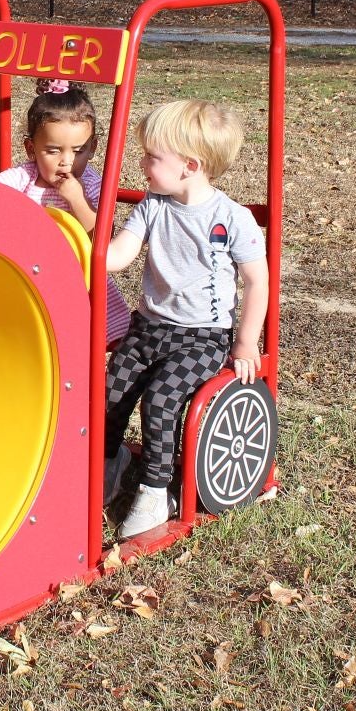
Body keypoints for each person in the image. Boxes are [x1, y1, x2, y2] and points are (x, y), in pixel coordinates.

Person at [102, 99, 269, 539]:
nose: (142, 164)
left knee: (160, 400)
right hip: (147, 327)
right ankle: (109, 460)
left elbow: (257, 281)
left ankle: (156, 489)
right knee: (110, 392)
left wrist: (247, 342)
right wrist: (90, 255)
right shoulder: (154, 205)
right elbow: (121, 252)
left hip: (202, 338)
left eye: (152, 157)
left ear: (189, 166)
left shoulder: (232, 218)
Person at [0, 79, 132, 347]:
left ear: (92, 148)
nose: (66, 161)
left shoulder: (91, 183)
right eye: (53, 150)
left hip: (79, 280)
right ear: (31, 149)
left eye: (78, 151)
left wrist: (77, 198)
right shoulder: (24, 177)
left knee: (89, 339)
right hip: (30, 278)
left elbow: (102, 235)